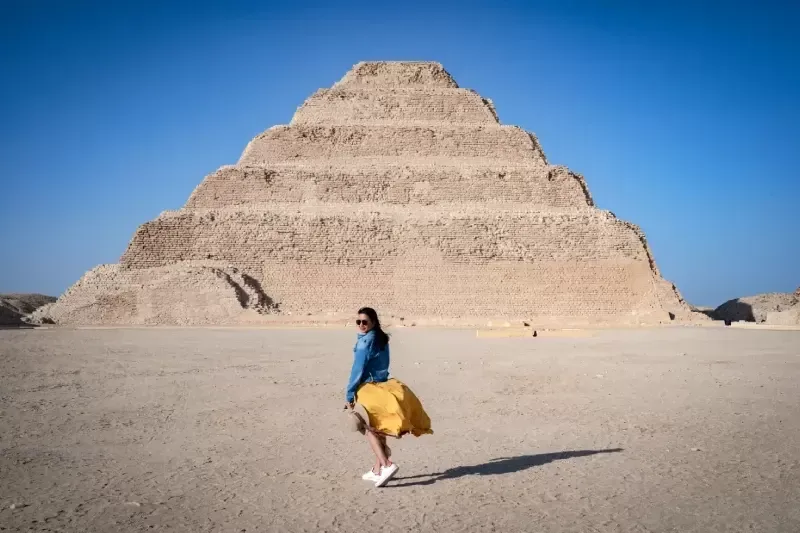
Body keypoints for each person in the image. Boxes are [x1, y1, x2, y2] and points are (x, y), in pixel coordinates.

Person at [344, 307, 433, 487]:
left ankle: (387, 464)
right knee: (379, 427)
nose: (361, 325)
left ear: (374, 322)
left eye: (365, 322)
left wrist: (349, 393)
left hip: (369, 389)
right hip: (385, 386)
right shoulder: (381, 338)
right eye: (358, 322)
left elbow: (357, 370)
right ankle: (377, 470)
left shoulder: (365, 342)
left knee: (367, 427)